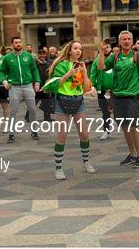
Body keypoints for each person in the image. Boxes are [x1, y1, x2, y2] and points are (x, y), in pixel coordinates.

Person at [43, 41, 94, 180]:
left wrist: (84, 72)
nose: (79, 51)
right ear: (69, 50)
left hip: (78, 101)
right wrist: (68, 73)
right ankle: (58, 168)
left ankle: (86, 162)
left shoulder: (82, 65)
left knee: (84, 134)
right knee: (62, 135)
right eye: (76, 48)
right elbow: (54, 85)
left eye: (80, 49)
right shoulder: (61, 65)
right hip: (62, 102)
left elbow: (86, 88)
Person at [97, 31, 139, 168]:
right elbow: (101, 67)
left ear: (132, 42)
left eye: (129, 39)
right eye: (124, 39)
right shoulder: (115, 57)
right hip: (117, 97)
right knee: (125, 127)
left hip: (133, 97)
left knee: (134, 127)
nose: (126, 41)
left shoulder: (137, 56)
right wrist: (101, 51)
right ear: (119, 42)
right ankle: (132, 154)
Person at [0, 37, 41, 142]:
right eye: (16, 42)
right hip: (14, 87)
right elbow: (2, 72)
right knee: (13, 111)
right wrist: (4, 81)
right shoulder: (7, 58)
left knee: (32, 109)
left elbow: (34, 69)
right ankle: (11, 134)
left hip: (28, 86)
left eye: (19, 42)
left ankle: (34, 131)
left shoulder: (28, 56)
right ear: (12, 44)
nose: (18, 44)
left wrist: (37, 82)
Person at [90, 42, 114, 140]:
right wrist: (92, 86)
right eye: (104, 47)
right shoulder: (96, 61)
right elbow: (92, 74)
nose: (106, 48)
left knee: (121, 111)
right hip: (102, 91)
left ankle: (129, 129)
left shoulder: (116, 59)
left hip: (116, 91)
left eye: (108, 47)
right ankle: (106, 130)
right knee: (105, 112)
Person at [26, 49, 53, 123]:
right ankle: (27, 116)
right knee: (33, 103)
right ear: (38, 55)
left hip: (45, 86)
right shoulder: (35, 64)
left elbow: (49, 75)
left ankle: (47, 117)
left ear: (46, 55)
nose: (42, 55)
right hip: (37, 86)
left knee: (46, 103)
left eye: (43, 54)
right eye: (40, 54)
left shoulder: (47, 64)